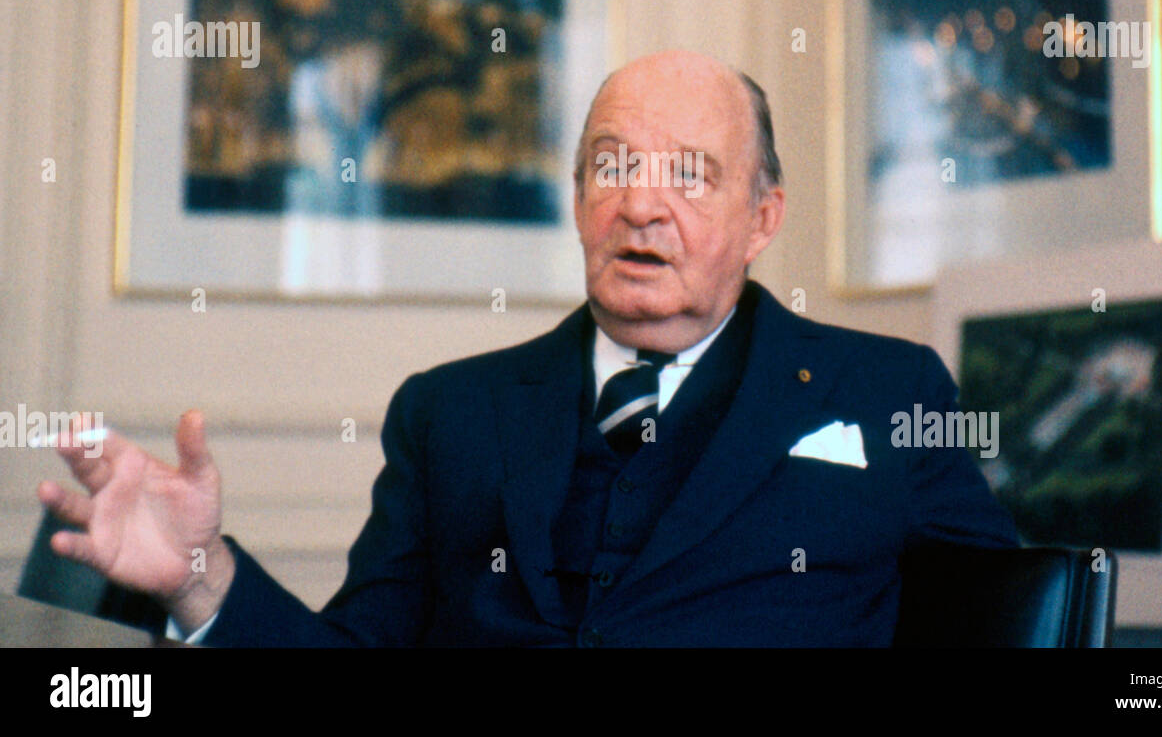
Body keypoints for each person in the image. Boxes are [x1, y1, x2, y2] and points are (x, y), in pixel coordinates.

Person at [38, 50, 1017, 647]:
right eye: (611, 166)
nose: (640, 202)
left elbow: (1002, 632)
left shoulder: (886, 393)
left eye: (689, 175)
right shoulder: (450, 414)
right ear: (578, 200)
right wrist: (199, 571)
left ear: (762, 218)